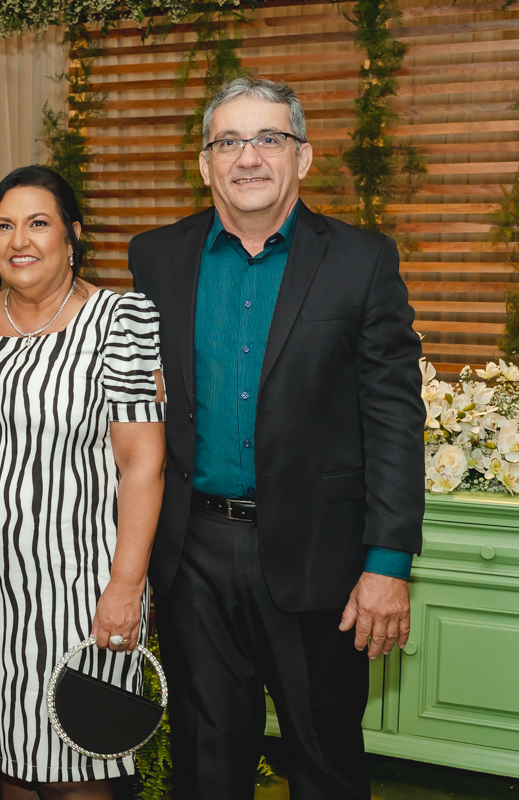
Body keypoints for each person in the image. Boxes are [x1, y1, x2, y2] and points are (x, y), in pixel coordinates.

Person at [128, 76, 424, 799]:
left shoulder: (361, 260)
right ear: (205, 164)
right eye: (228, 141)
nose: (248, 157)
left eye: (269, 138)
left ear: (303, 156)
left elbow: (393, 417)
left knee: (325, 764)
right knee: (206, 767)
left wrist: (388, 563)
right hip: (193, 555)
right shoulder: (156, 257)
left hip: (319, 557)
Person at [0, 165, 167, 800]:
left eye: (37, 223)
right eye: (4, 226)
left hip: (82, 591)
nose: (18, 240)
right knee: (11, 762)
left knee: (77, 765)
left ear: (73, 235)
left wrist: (126, 587)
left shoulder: (120, 321)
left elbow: (143, 464)